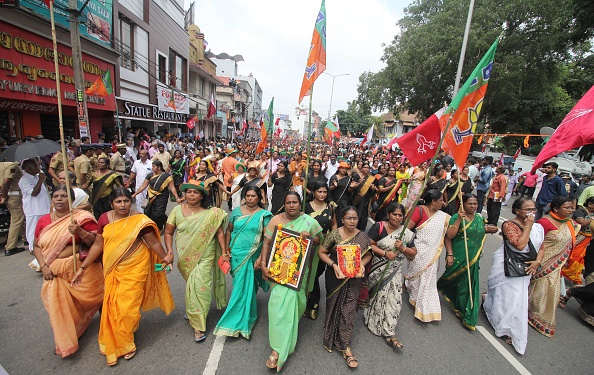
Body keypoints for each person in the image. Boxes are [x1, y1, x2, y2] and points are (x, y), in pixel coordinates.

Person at [70, 187, 175, 366]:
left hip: (136, 265)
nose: (122, 205)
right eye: (118, 201)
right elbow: (97, 245)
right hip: (112, 267)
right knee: (114, 304)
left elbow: (153, 242)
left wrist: (166, 256)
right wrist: (83, 267)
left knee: (128, 305)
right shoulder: (104, 219)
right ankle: (124, 334)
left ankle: (125, 343)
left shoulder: (139, 220)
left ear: (130, 202)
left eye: (126, 201)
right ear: (112, 203)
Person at [32, 185, 103, 357]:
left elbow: (97, 242)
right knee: (59, 306)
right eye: (56, 196)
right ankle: (68, 337)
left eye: (64, 196)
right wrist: (43, 266)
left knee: (98, 296)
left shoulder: (82, 218)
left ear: (71, 200)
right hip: (53, 271)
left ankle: (108, 326)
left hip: (81, 268)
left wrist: (80, 232)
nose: (59, 199)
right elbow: (35, 246)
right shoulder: (44, 221)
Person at [258, 192, 322, 371]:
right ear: (284, 204)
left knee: (297, 305)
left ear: (300, 204)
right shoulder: (275, 221)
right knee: (278, 306)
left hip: (299, 274)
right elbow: (266, 243)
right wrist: (263, 263)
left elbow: (319, 240)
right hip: (279, 273)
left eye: (295, 202)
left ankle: (288, 334)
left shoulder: (309, 222)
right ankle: (278, 350)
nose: (292, 205)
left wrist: (308, 237)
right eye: (288, 202)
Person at [164, 179, 228, 342]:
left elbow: (220, 233)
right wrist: (170, 251)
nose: (191, 194)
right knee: (192, 283)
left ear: (202, 196)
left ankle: (198, 326)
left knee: (201, 286)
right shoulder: (177, 211)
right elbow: (168, 232)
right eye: (189, 191)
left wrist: (224, 252)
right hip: (185, 255)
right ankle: (193, 310)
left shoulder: (211, 214)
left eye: (195, 192)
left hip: (206, 254)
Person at [483, 198, 544, 354]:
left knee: (518, 298)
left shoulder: (538, 227)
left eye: (534, 209)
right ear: (517, 210)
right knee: (506, 295)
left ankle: (511, 326)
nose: (532, 213)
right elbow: (520, 244)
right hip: (508, 263)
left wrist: (537, 261)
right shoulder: (509, 225)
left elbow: (542, 247)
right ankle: (500, 323)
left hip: (527, 266)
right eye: (527, 209)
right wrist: (528, 225)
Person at [214, 186, 272, 338]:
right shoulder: (236, 212)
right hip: (236, 255)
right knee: (240, 285)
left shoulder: (264, 215)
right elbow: (228, 231)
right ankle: (244, 314)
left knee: (246, 287)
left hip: (253, 256)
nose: (250, 198)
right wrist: (225, 251)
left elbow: (267, 238)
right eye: (248, 196)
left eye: (253, 196)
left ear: (259, 198)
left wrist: (261, 258)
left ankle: (237, 322)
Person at [317, 206, 372, 368]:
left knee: (348, 310)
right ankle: (331, 332)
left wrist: (361, 265)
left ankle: (345, 346)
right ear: (342, 219)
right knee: (333, 305)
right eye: (349, 218)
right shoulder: (334, 235)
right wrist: (334, 265)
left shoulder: (362, 236)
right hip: (336, 277)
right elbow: (322, 252)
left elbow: (368, 254)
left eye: (355, 218)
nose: (352, 221)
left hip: (354, 279)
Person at [438, 194, 498, 330]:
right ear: (463, 204)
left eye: (475, 204)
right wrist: (450, 254)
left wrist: (488, 230)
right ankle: (447, 291)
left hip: (473, 258)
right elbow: (449, 236)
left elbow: (478, 232)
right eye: (470, 204)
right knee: (453, 280)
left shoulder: (479, 218)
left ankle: (467, 313)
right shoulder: (456, 217)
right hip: (459, 255)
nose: (473, 206)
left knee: (469, 285)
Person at [364, 202, 416, 349]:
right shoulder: (379, 227)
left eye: (400, 215)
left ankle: (390, 332)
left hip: (395, 270)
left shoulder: (406, 233)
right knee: (377, 295)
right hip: (378, 267)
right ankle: (372, 319)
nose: (397, 217)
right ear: (388, 214)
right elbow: (369, 244)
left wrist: (402, 248)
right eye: (394, 214)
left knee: (394, 299)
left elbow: (413, 253)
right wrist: (385, 253)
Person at [529, 196, 577, 336]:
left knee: (552, 292)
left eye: (571, 207)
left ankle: (542, 317)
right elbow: (535, 242)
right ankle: (529, 312)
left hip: (556, 265)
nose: (570, 210)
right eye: (567, 207)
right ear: (556, 209)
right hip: (542, 262)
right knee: (538, 290)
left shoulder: (569, 224)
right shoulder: (544, 222)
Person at [405, 189, 450, 322]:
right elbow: (406, 231)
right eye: (441, 200)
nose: (443, 202)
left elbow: (449, 235)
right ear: (433, 202)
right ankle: (414, 297)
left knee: (427, 280)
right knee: (416, 277)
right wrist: (408, 249)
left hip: (432, 254)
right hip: (418, 251)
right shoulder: (419, 210)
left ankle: (424, 307)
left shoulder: (443, 216)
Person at [304, 181, 337, 320]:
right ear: (313, 192)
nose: (322, 194)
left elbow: (334, 224)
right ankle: (304, 302)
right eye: (319, 192)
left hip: (323, 247)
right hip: (306, 245)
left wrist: (333, 241)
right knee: (305, 275)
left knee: (315, 275)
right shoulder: (305, 206)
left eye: (325, 192)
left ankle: (313, 305)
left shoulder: (331, 207)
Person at [131, 160, 181, 231]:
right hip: (150, 196)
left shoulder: (167, 176)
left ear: (159, 167)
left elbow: (172, 187)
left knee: (158, 213)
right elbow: (143, 186)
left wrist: (177, 197)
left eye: (154, 166)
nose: (152, 168)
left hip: (162, 196)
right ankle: (155, 226)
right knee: (148, 212)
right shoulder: (150, 175)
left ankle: (160, 226)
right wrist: (135, 194)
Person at [19, 159, 51, 252]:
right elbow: (34, 193)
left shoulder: (35, 176)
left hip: (43, 207)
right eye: (36, 166)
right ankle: (32, 248)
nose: (39, 168)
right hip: (34, 209)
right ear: (29, 168)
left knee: (44, 227)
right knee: (33, 229)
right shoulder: (24, 180)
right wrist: (41, 180)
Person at [563, 196, 594, 284]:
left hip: (591, 239)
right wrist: (592, 219)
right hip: (579, 236)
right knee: (574, 256)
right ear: (590, 204)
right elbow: (582, 223)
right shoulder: (580, 211)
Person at [0, 160, 26, 255]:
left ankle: (25, 237)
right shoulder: (12, 165)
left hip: (8, 195)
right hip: (14, 194)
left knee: (19, 217)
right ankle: (10, 247)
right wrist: (3, 195)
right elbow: (7, 181)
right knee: (17, 219)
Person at [350, 162, 376, 230]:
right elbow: (351, 187)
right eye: (365, 167)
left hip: (365, 200)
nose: (366, 169)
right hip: (355, 199)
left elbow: (373, 191)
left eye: (368, 168)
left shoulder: (371, 178)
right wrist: (357, 184)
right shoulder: (356, 175)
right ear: (361, 168)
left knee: (363, 217)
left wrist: (373, 189)